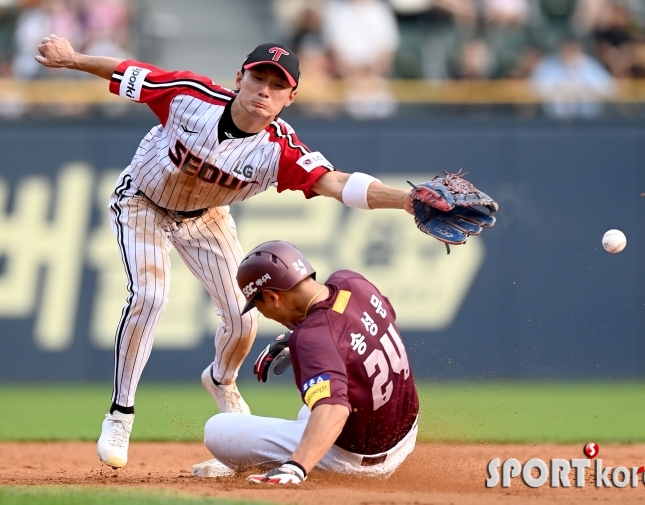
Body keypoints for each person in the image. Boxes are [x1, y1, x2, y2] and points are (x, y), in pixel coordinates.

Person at [34, 34, 414, 471]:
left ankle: (221, 379)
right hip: (142, 201)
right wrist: (72, 59)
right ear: (240, 78)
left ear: (290, 97)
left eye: (277, 85)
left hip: (205, 216)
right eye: (258, 78)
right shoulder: (189, 95)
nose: (264, 91)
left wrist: (403, 200)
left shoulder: (279, 149)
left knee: (245, 315)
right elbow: (126, 72)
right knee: (149, 297)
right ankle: (120, 414)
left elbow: (334, 182)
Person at [201, 240, 419, 482]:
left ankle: (304, 464)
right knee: (308, 411)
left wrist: (296, 466)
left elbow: (334, 409)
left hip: (352, 461)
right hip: (405, 434)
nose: (263, 314)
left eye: (258, 306)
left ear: (273, 297)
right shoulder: (352, 282)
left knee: (217, 430)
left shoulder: (312, 337)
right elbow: (366, 321)